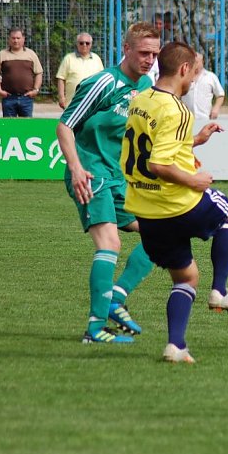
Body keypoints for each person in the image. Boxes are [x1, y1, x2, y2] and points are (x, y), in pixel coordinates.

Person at [123, 41, 228, 364]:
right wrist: (194, 180)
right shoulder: (177, 109)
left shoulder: (139, 100)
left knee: (186, 278)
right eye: (194, 73)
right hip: (176, 203)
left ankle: (176, 346)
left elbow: (153, 145)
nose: (193, 80)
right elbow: (159, 164)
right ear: (184, 69)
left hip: (147, 211)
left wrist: (195, 140)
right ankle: (220, 290)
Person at [55, 22, 161, 345]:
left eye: (154, 54)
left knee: (161, 232)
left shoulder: (146, 85)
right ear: (126, 49)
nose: (149, 60)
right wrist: (76, 168)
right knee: (110, 243)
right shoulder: (104, 82)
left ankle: (116, 297)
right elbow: (65, 126)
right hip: (90, 172)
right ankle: (95, 328)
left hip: (117, 177)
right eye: (143, 53)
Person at [0, 28, 44, 117]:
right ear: (9, 39)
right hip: (8, 98)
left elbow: (39, 73)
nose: (16, 41)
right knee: (9, 125)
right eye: (13, 38)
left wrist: (36, 90)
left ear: (23, 39)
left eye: (18, 38)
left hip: (26, 98)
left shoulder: (31, 54)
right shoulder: (2, 55)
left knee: (26, 125)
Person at [55, 32, 104, 109]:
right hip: (72, 104)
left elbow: (102, 79)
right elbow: (61, 78)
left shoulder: (97, 59)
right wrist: (61, 97)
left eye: (87, 43)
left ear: (91, 45)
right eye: (81, 43)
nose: (84, 45)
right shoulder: (68, 58)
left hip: (93, 103)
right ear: (77, 44)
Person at [182, 52, 225, 120]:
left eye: (196, 62)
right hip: (186, 118)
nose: (194, 64)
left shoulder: (210, 77)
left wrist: (216, 108)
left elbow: (220, 95)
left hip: (205, 118)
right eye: (192, 61)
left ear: (202, 62)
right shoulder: (184, 76)